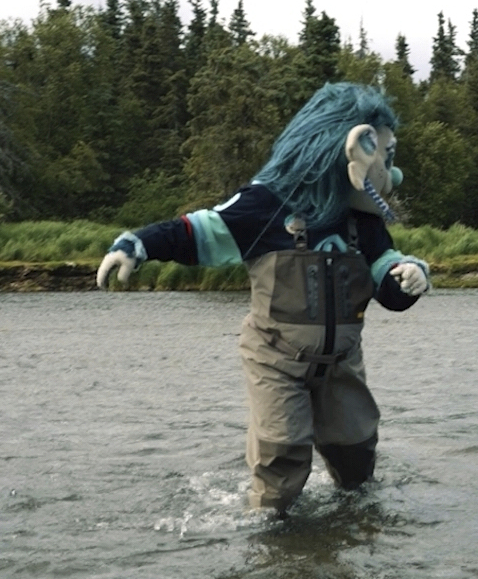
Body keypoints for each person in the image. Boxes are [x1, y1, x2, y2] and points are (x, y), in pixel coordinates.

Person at [96, 83, 433, 515]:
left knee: (356, 453)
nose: (393, 173)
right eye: (385, 157)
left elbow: (387, 277)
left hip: (342, 362)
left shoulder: (362, 221)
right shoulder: (266, 204)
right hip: (275, 358)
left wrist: (406, 276)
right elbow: (200, 231)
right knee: (283, 453)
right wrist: (138, 245)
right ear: (350, 146)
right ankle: (267, 527)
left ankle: (356, 523)